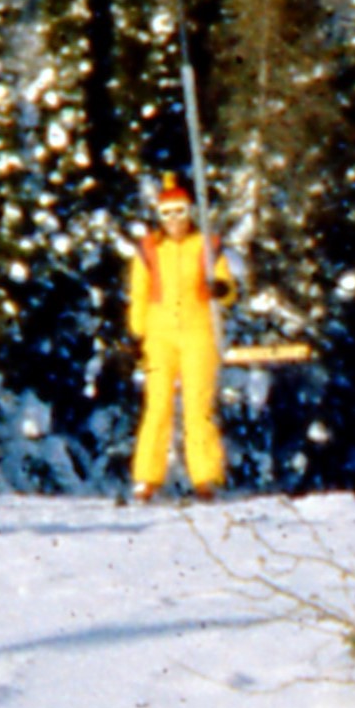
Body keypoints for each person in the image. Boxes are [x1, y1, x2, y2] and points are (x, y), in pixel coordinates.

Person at [126, 176, 230, 501]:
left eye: (180, 212)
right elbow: (139, 295)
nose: (174, 221)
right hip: (160, 335)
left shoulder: (207, 246)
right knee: (157, 405)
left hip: (198, 332)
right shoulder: (149, 250)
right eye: (167, 214)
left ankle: (206, 476)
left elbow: (226, 285)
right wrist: (137, 335)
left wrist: (221, 289)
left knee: (198, 406)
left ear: (190, 213)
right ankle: (147, 478)